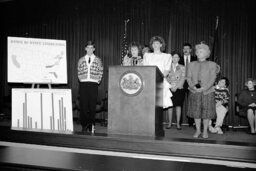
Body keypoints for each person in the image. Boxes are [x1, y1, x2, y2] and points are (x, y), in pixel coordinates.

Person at [187, 43, 217, 139]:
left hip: (207, 92)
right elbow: (188, 77)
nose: (198, 53)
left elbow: (213, 78)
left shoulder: (212, 64)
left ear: (206, 53)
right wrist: (193, 87)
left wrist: (204, 88)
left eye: (201, 51)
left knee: (206, 113)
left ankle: (205, 131)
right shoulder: (191, 64)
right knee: (196, 112)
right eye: (197, 51)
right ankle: (198, 130)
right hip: (194, 91)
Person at [77, 41, 103, 133]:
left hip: (93, 84)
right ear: (85, 49)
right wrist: (81, 79)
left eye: (91, 48)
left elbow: (101, 71)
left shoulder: (98, 60)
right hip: (83, 84)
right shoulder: (81, 60)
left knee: (92, 106)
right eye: (88, 47)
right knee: (83, 106)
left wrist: (97, 81)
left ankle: (91, 125)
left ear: (94, 49)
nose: (90, 49)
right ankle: (84, 125)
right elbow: (79, 71)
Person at [143, 36, 172, 109]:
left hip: (160, 82)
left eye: (157, 43)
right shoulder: (147, 56)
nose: (155, 45)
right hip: (149, 82)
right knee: (149, 105)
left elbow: (166, 70)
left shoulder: (167, 56)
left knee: (158, 105)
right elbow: (145, 70)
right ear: (152, 45)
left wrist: (158, 79)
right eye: (153, 43)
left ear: (161, 45)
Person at [166, 51, 185, 130]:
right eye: (173, 57)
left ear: (179, 58)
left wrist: (176, 86)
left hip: (179, 89)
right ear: (171, 58)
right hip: (169, 88)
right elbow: (166, 77)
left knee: (178, 106)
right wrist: (170, 85)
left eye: (176, 57)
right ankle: (169, 123)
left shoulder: (182, 67)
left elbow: (183, 78)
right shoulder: (167, 67)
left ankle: (178, 124)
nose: (175, 58)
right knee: (170, 106)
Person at [180, 43, 197, 128]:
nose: (186, 50)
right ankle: (179, 122)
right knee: (180, 103)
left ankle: (192, 122)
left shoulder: (195, 59)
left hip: (192, 83)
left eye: (187, 48)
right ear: (183, 50)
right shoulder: (179, 59)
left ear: (190, 50)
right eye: (184, 48)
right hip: (181, 83)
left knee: (192, 103)